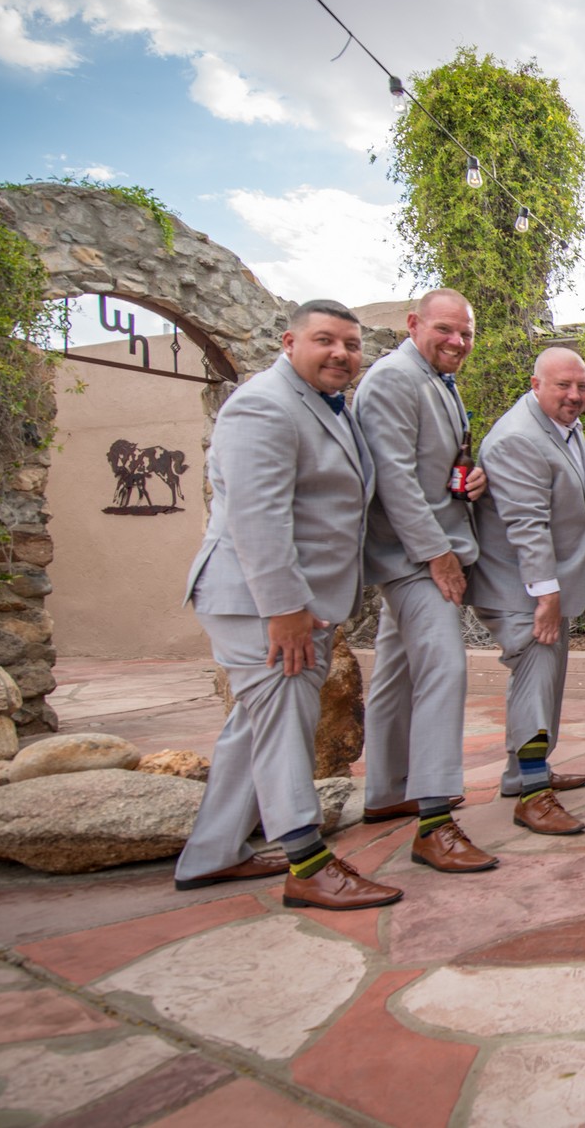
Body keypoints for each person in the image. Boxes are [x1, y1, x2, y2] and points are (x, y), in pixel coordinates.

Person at [173, 300, 401, 910]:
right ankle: (308, 863)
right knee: (283, 728)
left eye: (351, 345)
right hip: (261, 604)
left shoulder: (329, 408)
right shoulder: (262, 405)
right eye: (325, 340)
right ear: (289, 342)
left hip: (297, 602)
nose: (341, 354)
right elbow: (257, 516)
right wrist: (285, 610)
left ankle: (212, 852)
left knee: (253, 728)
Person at [351, 289, 495, 872]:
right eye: (445, 329)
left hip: (422, 549)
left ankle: (388, 792)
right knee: (444, 668)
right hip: (413, 558)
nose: (457, 341)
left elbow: (432, 469)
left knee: (396, 672)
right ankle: (435, 821)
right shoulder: (393, 380)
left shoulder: (438, 381)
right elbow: (395, 479)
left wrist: (468, 482)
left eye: (465, 333)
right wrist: (438, 555)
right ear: (413, 324)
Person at [467, 347, 585, 835]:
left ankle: (519, 773)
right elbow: (527, 525)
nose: (574, 395)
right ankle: (533, 794)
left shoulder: (565, 427)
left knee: (545, 680)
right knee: (535, 679)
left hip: (545, 585)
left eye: (580, 386)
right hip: (519, 587)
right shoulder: (519, 438)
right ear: (535, 383)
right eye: (563, 385)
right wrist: (546, 597)